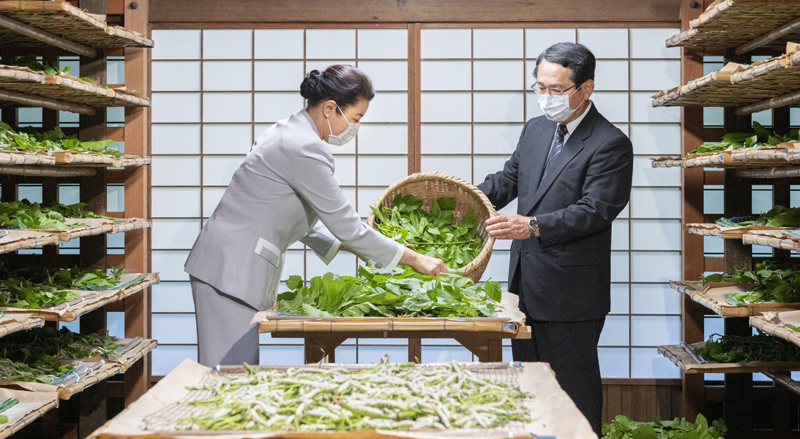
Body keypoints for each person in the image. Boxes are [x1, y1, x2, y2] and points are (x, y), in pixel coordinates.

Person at [184, 64, 447, 367]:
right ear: (330, 108)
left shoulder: (287, 130)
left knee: (235, 370)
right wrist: (415, 259)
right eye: (356, 118)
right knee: (228, 374)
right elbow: (347, 226)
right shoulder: (306, 148)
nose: (355, 127)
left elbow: (286, 212)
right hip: (230, 268)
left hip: (229, 263)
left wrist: (349, 245)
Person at [476, 42, 633, 436]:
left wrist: (532, 225)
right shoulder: (536, 129)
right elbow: (510, 178)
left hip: (571, 291)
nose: (546, 98)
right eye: (539, 88)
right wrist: (462, 199)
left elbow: (596, 210)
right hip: (523, 286)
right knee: (528, 388)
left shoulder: (609, 142)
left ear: (586, 88)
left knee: (573, 392)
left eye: (556, 90)